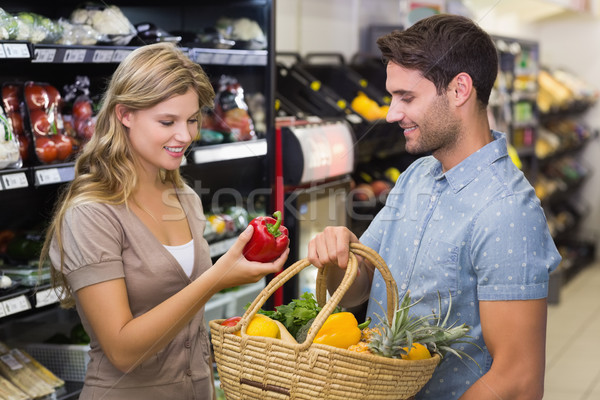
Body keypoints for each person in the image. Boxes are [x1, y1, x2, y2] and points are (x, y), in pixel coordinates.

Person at [308, 14, 560, 400]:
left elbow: (519, 380)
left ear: (460, 90)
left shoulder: (508, 211)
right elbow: (361, 289)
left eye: (407, 98)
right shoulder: (416, 177)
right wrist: (341, 256)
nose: (391, 114)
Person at [39, 42, 288, 400]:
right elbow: (122, 351)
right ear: (125, 114)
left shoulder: (184, 198)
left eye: (191, 120)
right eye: (167, 122)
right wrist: (219, 277)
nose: (185, 136)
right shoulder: (91, 214)